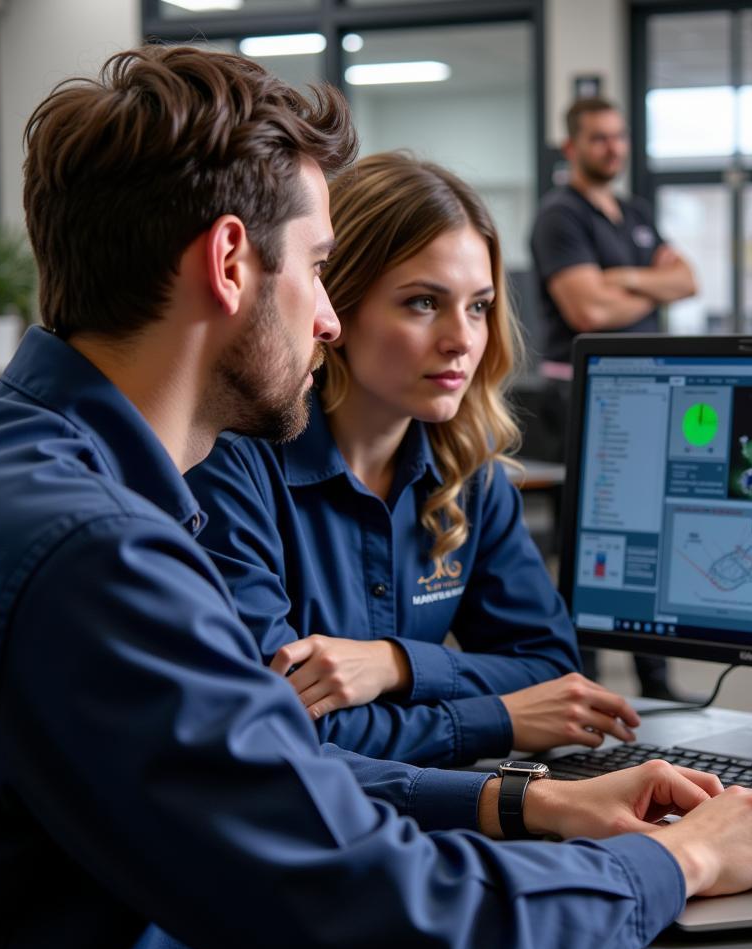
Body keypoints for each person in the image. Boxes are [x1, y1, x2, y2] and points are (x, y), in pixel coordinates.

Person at [0, 46, 752, 949]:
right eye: (317, 268)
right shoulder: (101, 557)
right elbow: (411, 935)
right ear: (226, 264)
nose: (330, 321)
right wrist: (675, 857)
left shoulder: (33, 472)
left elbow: (267, 773)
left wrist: (522, 800)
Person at [187, 151, 640, 760]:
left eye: (478, 306)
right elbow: (284, 736)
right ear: (336, 303)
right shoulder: (235, 467)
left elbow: (554, 672)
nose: (462, 340)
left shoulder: (468, 471)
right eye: (423, 302)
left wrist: (397, 665)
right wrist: (497, 720)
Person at [530, 95, 697, 701]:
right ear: (572, 147)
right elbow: (587, 310)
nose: (613, 148)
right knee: (594, 544)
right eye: (599, 138)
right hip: (582, 399)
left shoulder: (634, 211)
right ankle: (589, 685)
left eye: (619, 137)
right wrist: (650, 288)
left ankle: (660, 684)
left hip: (648, 396)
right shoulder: (560, 217)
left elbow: (688, 278)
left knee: (653, 538)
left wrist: (621, 280)